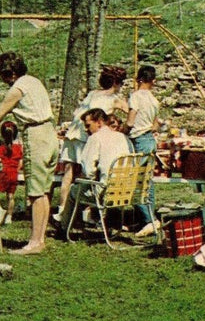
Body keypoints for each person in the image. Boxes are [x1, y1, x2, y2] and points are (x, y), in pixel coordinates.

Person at [0, 52, 59, 256]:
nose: (3, 80)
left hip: (36, 136)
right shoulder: (33, 81)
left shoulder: (17, 88)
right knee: (43, 190)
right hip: (50, 133)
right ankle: (39, 239)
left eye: (3, 76)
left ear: (11, 73)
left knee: (35, 192)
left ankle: (34, 242)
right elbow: (3, 109)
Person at [54, 65, 129, 221]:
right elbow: (131, 112)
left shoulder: (92, 94)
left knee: (68, 174)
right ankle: (83, 213)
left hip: (73, 132)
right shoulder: (114, 99)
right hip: (86, 135)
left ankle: (62, 209)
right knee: (87, 173)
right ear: (116, 83)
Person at [59, 107, 133, 231]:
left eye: (88, 126)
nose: (87, 130)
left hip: (106, 192)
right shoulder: (123, 138)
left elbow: (88, 170)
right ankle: (111, 224)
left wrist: (91, 177)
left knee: (73, 190)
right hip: (127, 190)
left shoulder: (95, 138)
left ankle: (64, 228)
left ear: (99, 122)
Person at [125, 65, 161, 235]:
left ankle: (150, 220)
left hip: (138, 140)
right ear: (153, 81)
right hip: (149, 138)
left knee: (136, 181)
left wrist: (121, 132)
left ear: (138, 79)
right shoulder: (154, 100)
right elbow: (155, 124)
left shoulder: (135, 96)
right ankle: (147, 219)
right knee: (148, 181)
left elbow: (131, 122)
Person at [0, 121, 23, 226]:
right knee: (11, 196)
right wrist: (16, 170)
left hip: (3, 173)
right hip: (13, 174)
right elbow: (20, 163)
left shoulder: (1, 148)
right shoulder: (18, 148)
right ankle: (9, 217)